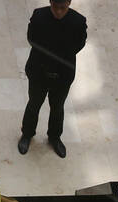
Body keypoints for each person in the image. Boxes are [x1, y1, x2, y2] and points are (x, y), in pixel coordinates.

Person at [19, 1, 88, 159]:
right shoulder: (39, 16)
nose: (58, 12)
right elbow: (32, 39)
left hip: (63, 75)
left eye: (62, 8)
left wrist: (57, 56)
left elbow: (79, 44)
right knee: (34, 103)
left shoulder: (78, 21)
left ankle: (54, 137)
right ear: (50, 2)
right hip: (38, 71)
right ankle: (27, 134)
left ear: (69, 3)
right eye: (55, 7)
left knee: (57, 107)